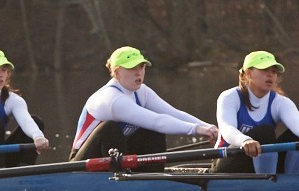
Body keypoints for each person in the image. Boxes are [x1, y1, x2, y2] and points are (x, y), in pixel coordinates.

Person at [69, 46, 218, 171]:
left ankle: (153, 178)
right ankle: (121, 179)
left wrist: (210, 129)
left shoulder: (142, 92)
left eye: (141, 67)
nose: (139, 72)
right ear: (117, 71)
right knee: (110, 128)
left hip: (117, 154)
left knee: (153, 132)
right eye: (132, 67)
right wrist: (197, 129)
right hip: (81, 164)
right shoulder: (111, 99)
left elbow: (174, 114)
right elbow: (157, 121)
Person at [210, 51, 299, 175]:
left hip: (261, 162)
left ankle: (293, 183)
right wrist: (245, 141)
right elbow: (227, 129)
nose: (270, 75)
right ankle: (268, 185)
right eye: (264, 70)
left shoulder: (280, 102)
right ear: (248, 73)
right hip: (227, 164)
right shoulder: (229, 97)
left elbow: (297, 122)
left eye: (274, 72)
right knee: (265, 132)